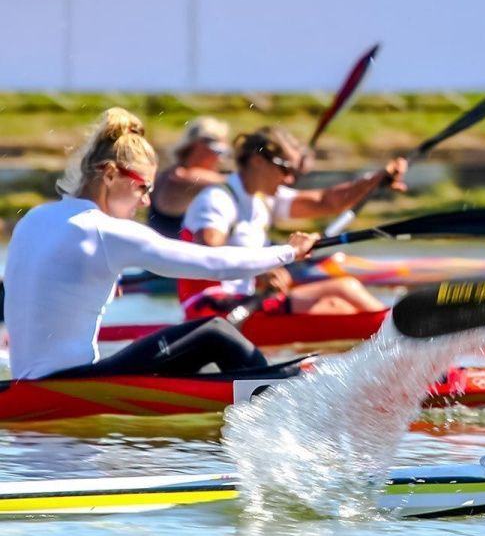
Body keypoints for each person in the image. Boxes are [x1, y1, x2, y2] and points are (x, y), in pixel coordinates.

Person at [2, 108, 321, 380]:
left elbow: (43, 284)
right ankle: (273, 398)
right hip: (73, 385)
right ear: (111, 175)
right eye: (143, 188)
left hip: (27, 382)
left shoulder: (35, 217)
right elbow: (215, 265)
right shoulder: (108, 231)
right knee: (215, 333)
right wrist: (288, 252)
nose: (146, 201)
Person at [177, 126, 407, 318]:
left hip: (247, 304)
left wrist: (376, 180)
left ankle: (392, 331)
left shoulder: (263, 198)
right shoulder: (218, 199)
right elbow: (209, 253)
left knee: (340, 305)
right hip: (212, 307)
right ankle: (402, 332)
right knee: (343, 290)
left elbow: (324, 202)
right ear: (258, 161)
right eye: (285, 168)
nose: (289, 179)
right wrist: (260, 270)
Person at [146, 116, 231, 238]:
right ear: (197, 147)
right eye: (219, 151)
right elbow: (236, 183)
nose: (221, 159)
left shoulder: (167, 173)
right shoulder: (178, 177)